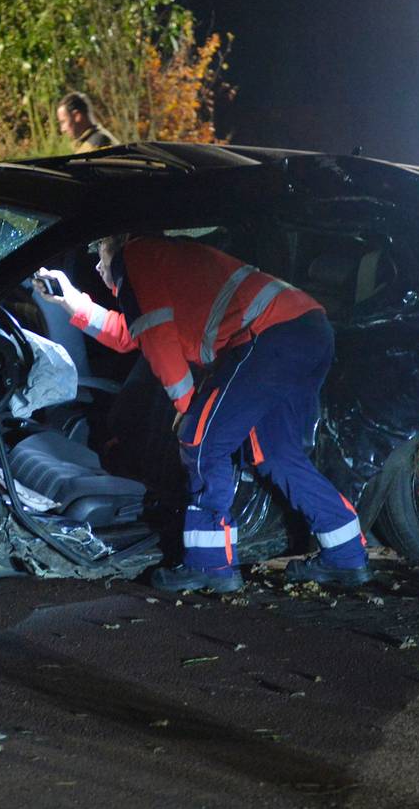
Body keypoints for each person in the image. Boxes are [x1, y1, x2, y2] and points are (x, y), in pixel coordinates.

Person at [34, 234, 369, 593]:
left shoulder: (138, 255)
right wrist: (70, 300)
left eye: (97, 250)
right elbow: (131, 335)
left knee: (200, 440)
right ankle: (346, 556)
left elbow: (158, 337)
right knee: (278, 455)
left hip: (270, 336)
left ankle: (210, 565)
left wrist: (185, 407)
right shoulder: (157, 264)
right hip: (304, 332)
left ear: (117, 242)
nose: (98, 266)